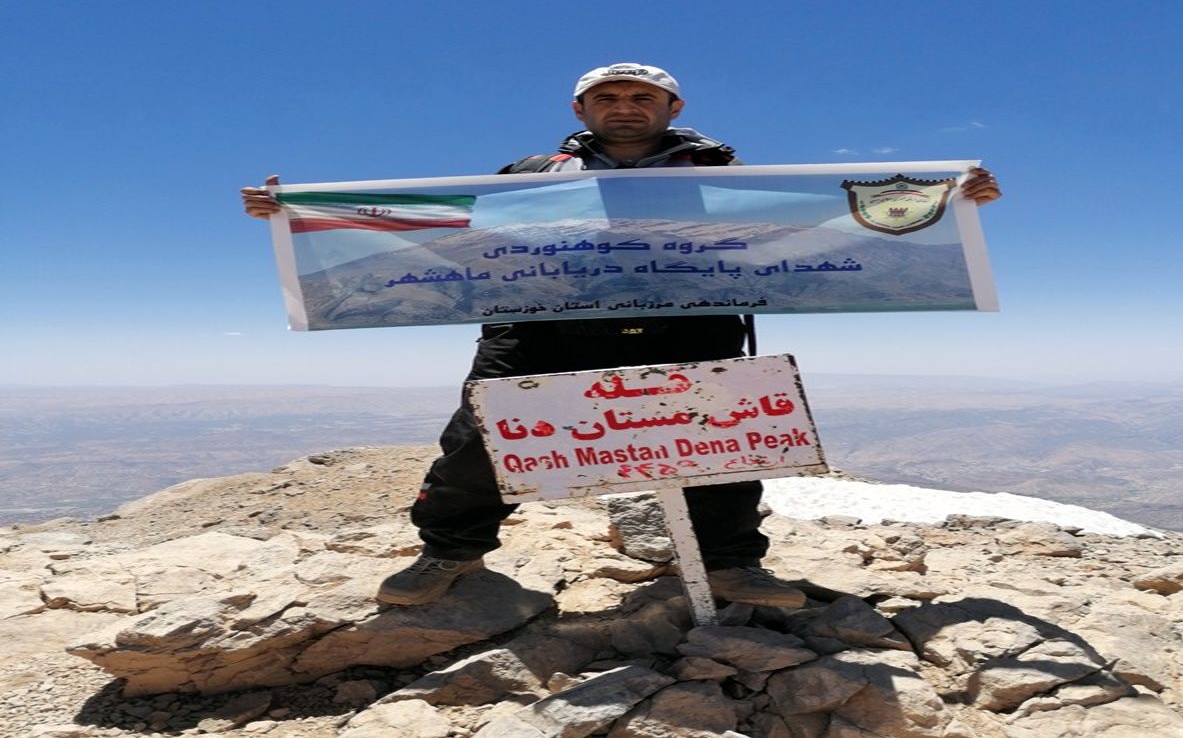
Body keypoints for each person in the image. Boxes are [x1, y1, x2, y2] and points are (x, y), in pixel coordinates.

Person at [242, 62, 1002, 608]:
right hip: (542, 329)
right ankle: (450, 553)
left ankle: (732, 565)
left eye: (642, 96)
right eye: (608, 96)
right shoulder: (530, 172)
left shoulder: (726, 175)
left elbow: (818, 226)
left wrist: (951, 202)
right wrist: (298, 214)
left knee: (714, 442)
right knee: (484, 437)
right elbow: (460, 234)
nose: (626, 106)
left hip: (688, 324)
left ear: (671, 107)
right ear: (583, 109)